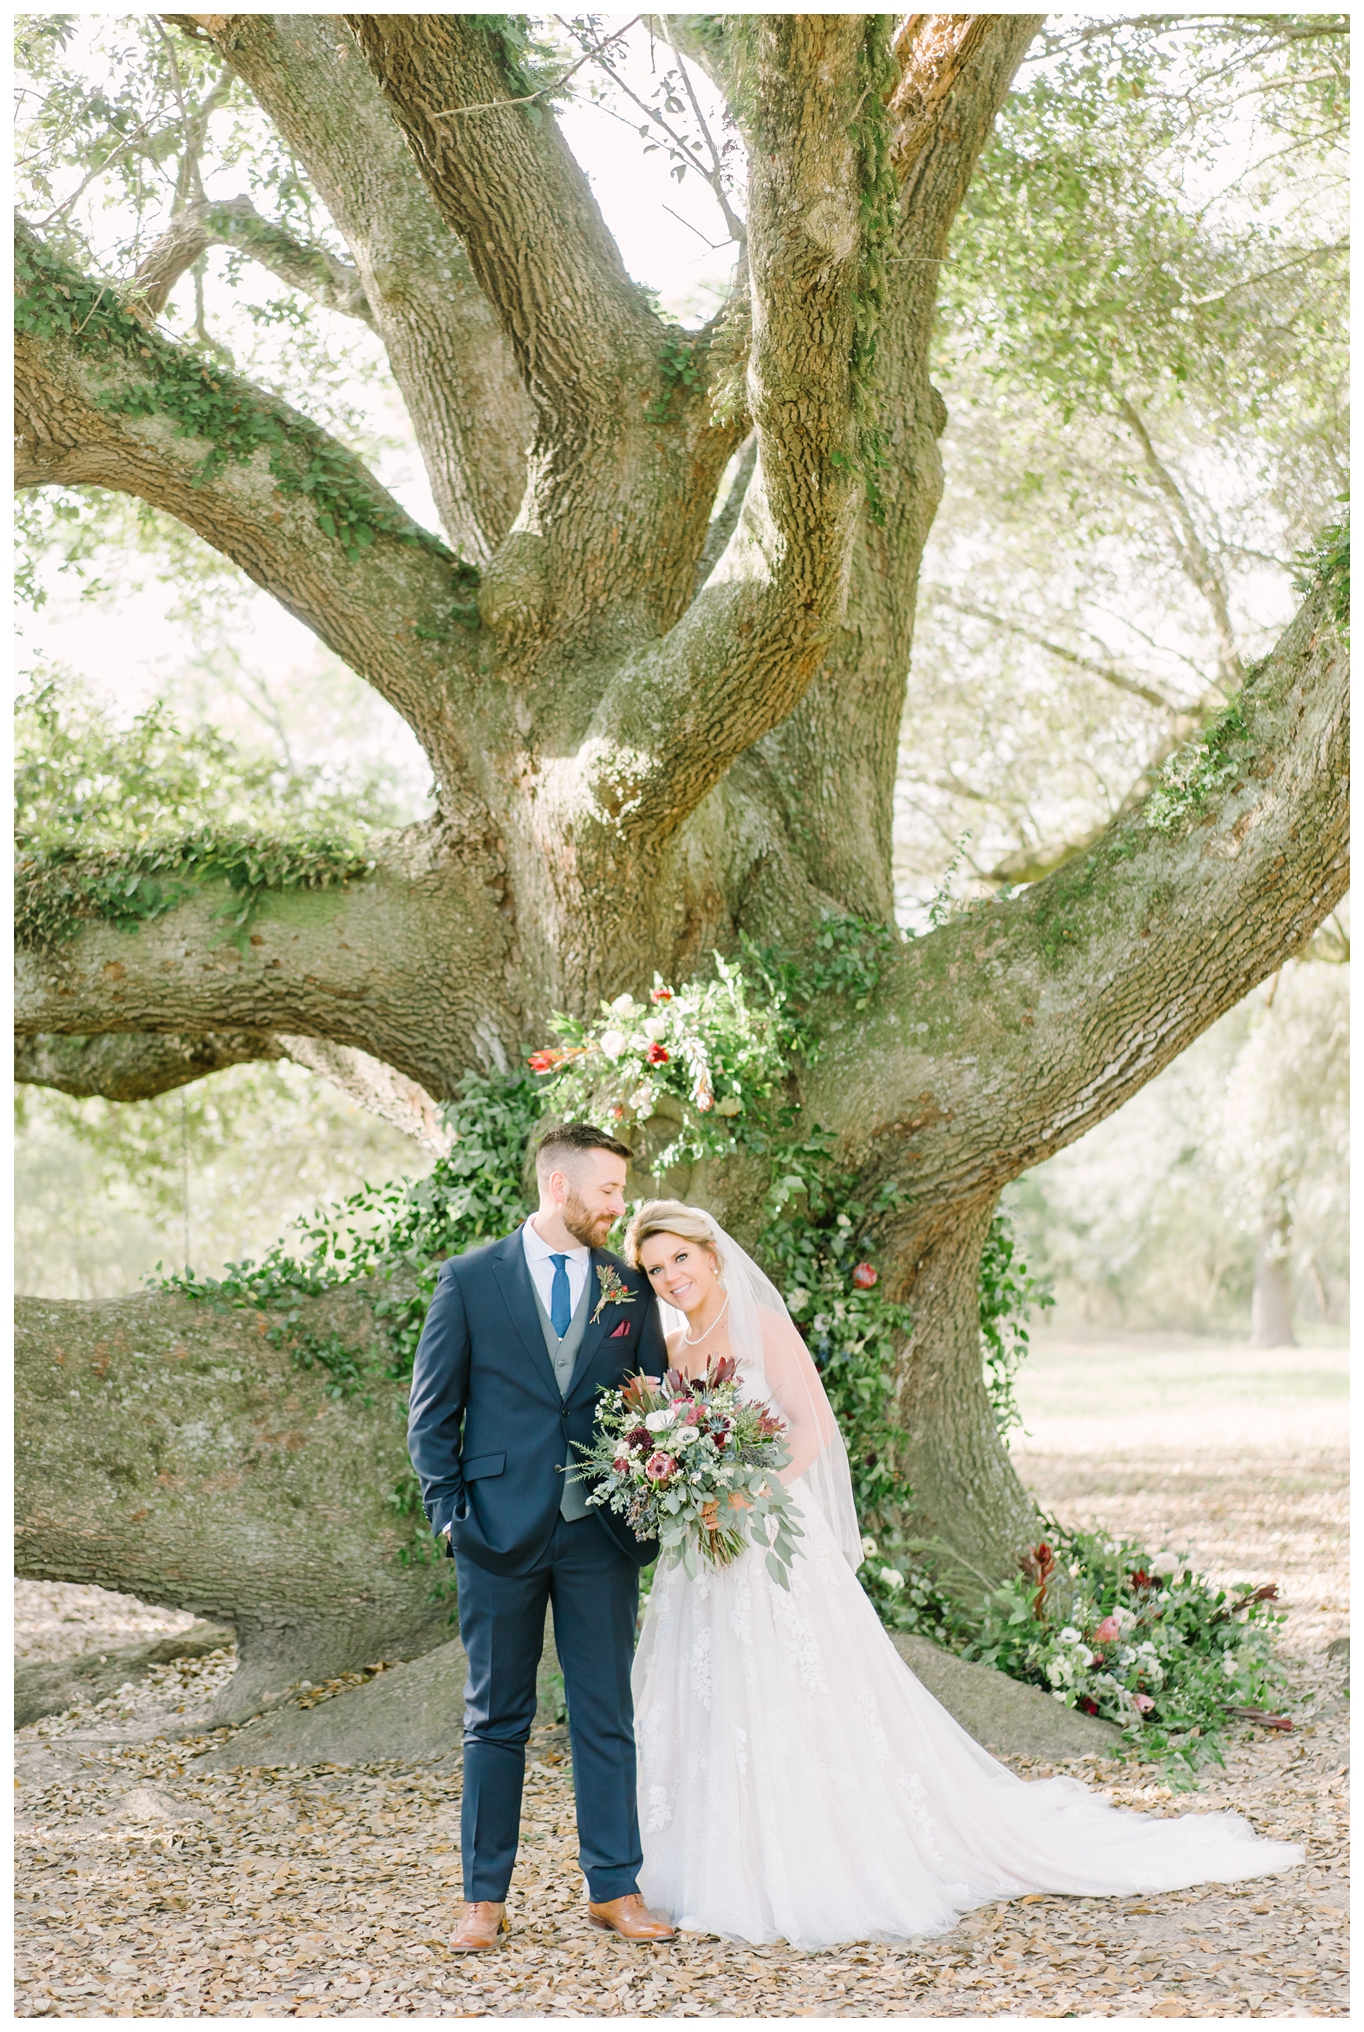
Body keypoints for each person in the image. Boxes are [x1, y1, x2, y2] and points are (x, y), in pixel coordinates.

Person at [623, 1198, 1304, 1950]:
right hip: (709, 1555)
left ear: (712, 1254)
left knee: (802, 1690)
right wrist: (687, 1490)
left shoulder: (764, 1329)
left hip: (772, 1540)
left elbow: (812, 1429)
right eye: (655, 1269)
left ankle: (815, 1856)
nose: (670, 1276)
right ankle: (725, 1859)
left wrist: (742, 1494)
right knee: (714, 1692)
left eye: (679, 1258)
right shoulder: (676, 1352)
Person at [407, 1123, 676, 1952]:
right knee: (496, 1718)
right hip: (496, 1534)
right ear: (560, 1188)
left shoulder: (629, 1291)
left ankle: (616, 1890)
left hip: (599, 1534)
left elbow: (654, 1403)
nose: (617, 1208)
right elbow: (431, 1416)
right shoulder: (469, 1281)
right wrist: (452, 1517)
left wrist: (650, 1494)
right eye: (609, 1192)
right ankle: (482, 1899)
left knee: (607, 1715)